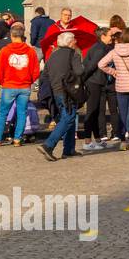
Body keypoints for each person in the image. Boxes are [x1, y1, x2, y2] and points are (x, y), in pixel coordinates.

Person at [40, 32, 85, 162]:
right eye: (75, 40)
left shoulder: (53, 55)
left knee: (68, 118)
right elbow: (79, 71)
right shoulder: (74, 54)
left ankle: (69, 149)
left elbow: (44, 75)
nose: (76, 42)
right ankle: (48, 145)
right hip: (68, 92)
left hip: (55, 91)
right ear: (70, 42)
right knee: (69, 117)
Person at [0, 24, 41, 146]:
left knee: (3, 113)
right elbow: (36, 71)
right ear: (23, 36)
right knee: (22, 113)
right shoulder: (30, 52)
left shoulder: (5, 51)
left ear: (11, 35)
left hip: (9, 85)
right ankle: (17, 139)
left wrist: (1, 81)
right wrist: (29, 80)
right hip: (24, 86)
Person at [81, 26, 118, 150]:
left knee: (96, 112)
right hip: (94, 82)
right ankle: (87, 141)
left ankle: (97, 139)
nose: (112, 38)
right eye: (110, 36)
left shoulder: (102, 47)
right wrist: (83, 80)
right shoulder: (100, 49)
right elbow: (90, 66)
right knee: (91, 111)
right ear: (103, 36)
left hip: (98, 82)